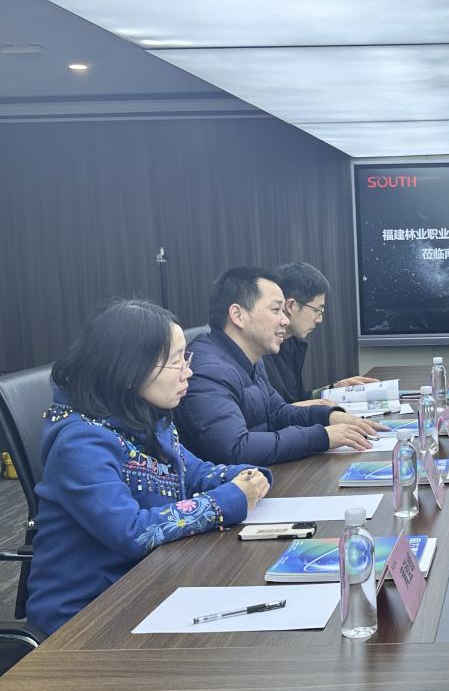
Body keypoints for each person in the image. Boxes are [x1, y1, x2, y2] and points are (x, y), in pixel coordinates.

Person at [26, 300, 271, 635]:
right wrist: (228, 500)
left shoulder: (147, 418)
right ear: (130, 371)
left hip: (149, 585)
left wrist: (245, 477)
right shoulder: (80, 443)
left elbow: (195, 473)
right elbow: (132, 532)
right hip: (86, 618)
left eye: (186, 358)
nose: (188, 372)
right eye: (175, 362)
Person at [175, 267, 382, 466]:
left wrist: (328, 416)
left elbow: (278, 413)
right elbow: (236, 449)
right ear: (238, 315)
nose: (285, 320)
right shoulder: (207, 371)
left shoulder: (252, 359)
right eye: (276, 310)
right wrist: (321, 436)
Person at [263, 262, 377, 406]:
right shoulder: (261, 350)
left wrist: (334, 389)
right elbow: (275, 412)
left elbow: (297, 400)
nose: (319, 319)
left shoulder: (292, 343)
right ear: (291, 306)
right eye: (317, 310)